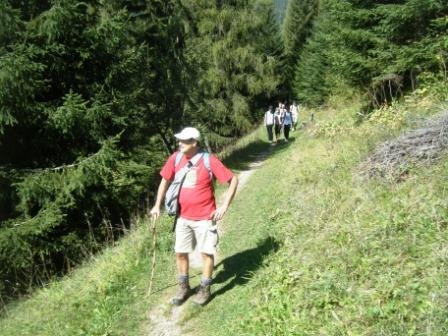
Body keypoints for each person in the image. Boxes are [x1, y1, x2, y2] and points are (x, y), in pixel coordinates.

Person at [150, 127, 238, 306]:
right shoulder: (175, 158)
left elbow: (233, 180)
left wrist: (224, 206)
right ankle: (184, 287)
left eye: (184, 140)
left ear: (194, 143)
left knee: (206, 253)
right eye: (179, 140)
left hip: (205, 217)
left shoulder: (208, 160)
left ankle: (205, 289)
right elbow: (164, 181)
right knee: (180, 253)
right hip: (183, 217)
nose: (180, 143)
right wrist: (157, 206)